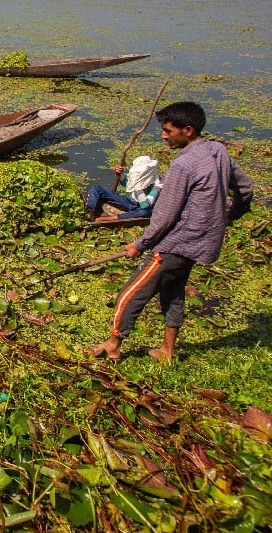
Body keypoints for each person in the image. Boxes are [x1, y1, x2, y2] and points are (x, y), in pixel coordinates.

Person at [89, 102, 254, 363]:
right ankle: (167, 352)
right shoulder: (218, 151)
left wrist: (140, 244)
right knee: (173, 293)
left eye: (168, 131)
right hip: (200, 244)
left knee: (130, 295)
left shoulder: (183, 165)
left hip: (176, 244)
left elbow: (164, 216)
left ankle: (112, 345)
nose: (164, 136)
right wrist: (229, 216)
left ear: (187, 130)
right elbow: (245, 187)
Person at [86, 155, 163, 221]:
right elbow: (125, 183)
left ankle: (112, 218)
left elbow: (145, 205)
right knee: (96, 188)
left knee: (146, 212)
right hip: (127, 201)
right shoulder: (139, 177)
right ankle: (90, 210)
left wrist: (138, 188)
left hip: (139, 207)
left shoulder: (157, 185)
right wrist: (120, 174)